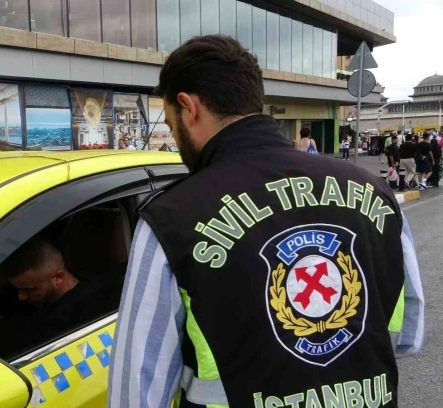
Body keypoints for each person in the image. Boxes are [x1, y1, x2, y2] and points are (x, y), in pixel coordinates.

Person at [108, 35, 424, 408]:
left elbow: (136, 394)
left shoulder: (171, 219)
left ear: (188, 107)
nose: (176, 138)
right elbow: (408, 335)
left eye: (172, 124)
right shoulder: (375, 193)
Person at [0, 237, 111, 358]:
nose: (20, 296)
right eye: (18, 289)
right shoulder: (22, 286)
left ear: (58, 277)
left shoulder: (89, 309)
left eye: (29, 290)